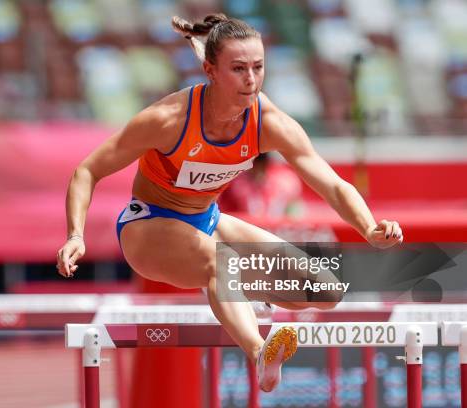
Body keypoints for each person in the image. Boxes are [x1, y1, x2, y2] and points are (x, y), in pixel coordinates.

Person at [56, 14, 403, 392]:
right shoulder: (168, 119)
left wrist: (368, 226)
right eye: (238, 69)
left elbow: (332, 184)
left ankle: (240, 293)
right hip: (149, 225)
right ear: (211, 71)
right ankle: (259, 351)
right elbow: (87, 171)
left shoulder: (267, 120)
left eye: (258, 67)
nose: (251, 80)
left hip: (207, 219)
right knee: (222, 264)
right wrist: (76, 234)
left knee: (324, 290)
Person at [218, 152, 305, 219]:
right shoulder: (234, 180)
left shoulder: (285, 178)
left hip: (275, 231)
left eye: (260, 162)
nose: (257, 167)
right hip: (244, 229)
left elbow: (295, 209)